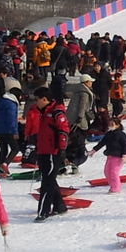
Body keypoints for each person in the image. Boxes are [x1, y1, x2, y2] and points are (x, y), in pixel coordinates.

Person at [31, 88, 70, 222]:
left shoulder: (56, 112)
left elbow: (64, 131)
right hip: (43, 150)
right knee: (50, 179)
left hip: (53, 152)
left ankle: (43, 211)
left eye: (37, 99)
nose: (36, 102)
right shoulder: (43, 112)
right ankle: (60, 206)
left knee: (47, 181)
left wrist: (62, 149)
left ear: (44, 99)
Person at [0, 86, 21, 175]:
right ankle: (5, 164)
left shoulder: (1, 101)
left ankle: (1, 171)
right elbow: (11, 118)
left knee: (3, 150)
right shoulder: (11, 104)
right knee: (15, 148)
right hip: (8, 129)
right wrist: (15, 131)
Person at [100, 119, 126, 193]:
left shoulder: (121, 134)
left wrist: (125, 155)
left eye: (112, 124)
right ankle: (113, 186)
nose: (110, 126)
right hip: (110, 156)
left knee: (114, 172)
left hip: (118, 157)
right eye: (109, 124)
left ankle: (116, 188)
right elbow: (101, 143)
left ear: (117, 125)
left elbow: (125, 145)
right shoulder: (108, 134)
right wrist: (93, 150)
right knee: (107, 172)